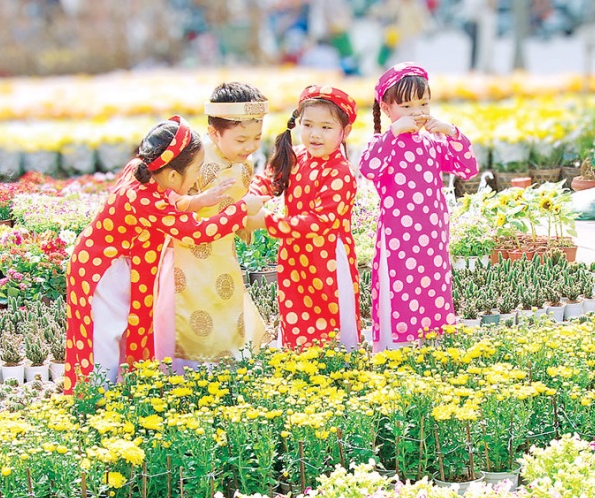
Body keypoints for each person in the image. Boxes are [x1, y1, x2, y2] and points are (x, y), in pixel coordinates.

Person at [64, 116, 267, 391]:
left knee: (121, 332)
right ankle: (96, 398)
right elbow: (196, 233)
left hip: (115, 264)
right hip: (104, 270)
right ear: (173, 175)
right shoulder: (143, 198)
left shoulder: (141, 170)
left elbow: (169, 204)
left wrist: (197, 201)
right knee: (103, 337)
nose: (197, 178)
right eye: (196, 171)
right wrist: (241, 210)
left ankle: (117, 395)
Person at [359, 62, 479, 352]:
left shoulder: (433, 143)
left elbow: (468, 168)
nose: (418, 112)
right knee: (398, 289)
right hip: (398, 238)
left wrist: (451, 132)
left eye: (423, 103)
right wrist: (392, 133)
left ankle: (431, 344)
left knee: (433, 287)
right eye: (407, 105)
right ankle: (395, 347)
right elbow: (368, 168)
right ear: (386, 108)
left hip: (433, 235)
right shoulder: (382, 142)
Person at [155, 82, 272, 368]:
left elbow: (240, 210)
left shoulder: (245, 164)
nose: (250, 147)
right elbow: (171, 200)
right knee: (194, 311)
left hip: (223, 253)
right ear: (213, 132)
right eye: (241, 139)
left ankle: (225, 372)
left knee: (225, 307)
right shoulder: (196, 161)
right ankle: (190, 372)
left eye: (256, 138)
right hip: (189, 255)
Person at [262, 85, 360, 350]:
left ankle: (334, 366)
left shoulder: (341, 172)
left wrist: (268, 222)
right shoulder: (296, 157)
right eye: (308, 125)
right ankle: (300, 361)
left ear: (345, 131)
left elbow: (321, 221)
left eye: (326, 127)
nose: (315, 134)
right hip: (294, 252)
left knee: (328, 311)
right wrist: (251, 196)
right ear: (298, 123)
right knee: (295, 307)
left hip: (326, 255)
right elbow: (268, 180)